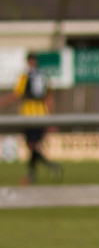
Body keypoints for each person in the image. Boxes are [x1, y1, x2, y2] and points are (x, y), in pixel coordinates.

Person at [0, 54, 61, 183]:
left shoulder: (25, 76)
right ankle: (37, 172)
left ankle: (43, 169)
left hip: (29, 115)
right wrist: (52, 117)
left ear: (28, 62)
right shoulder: (44, 76)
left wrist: (3, 102)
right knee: (34, 145)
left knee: (32, 145)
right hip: (42, 114)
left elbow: (17, 94)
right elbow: (49, 98)